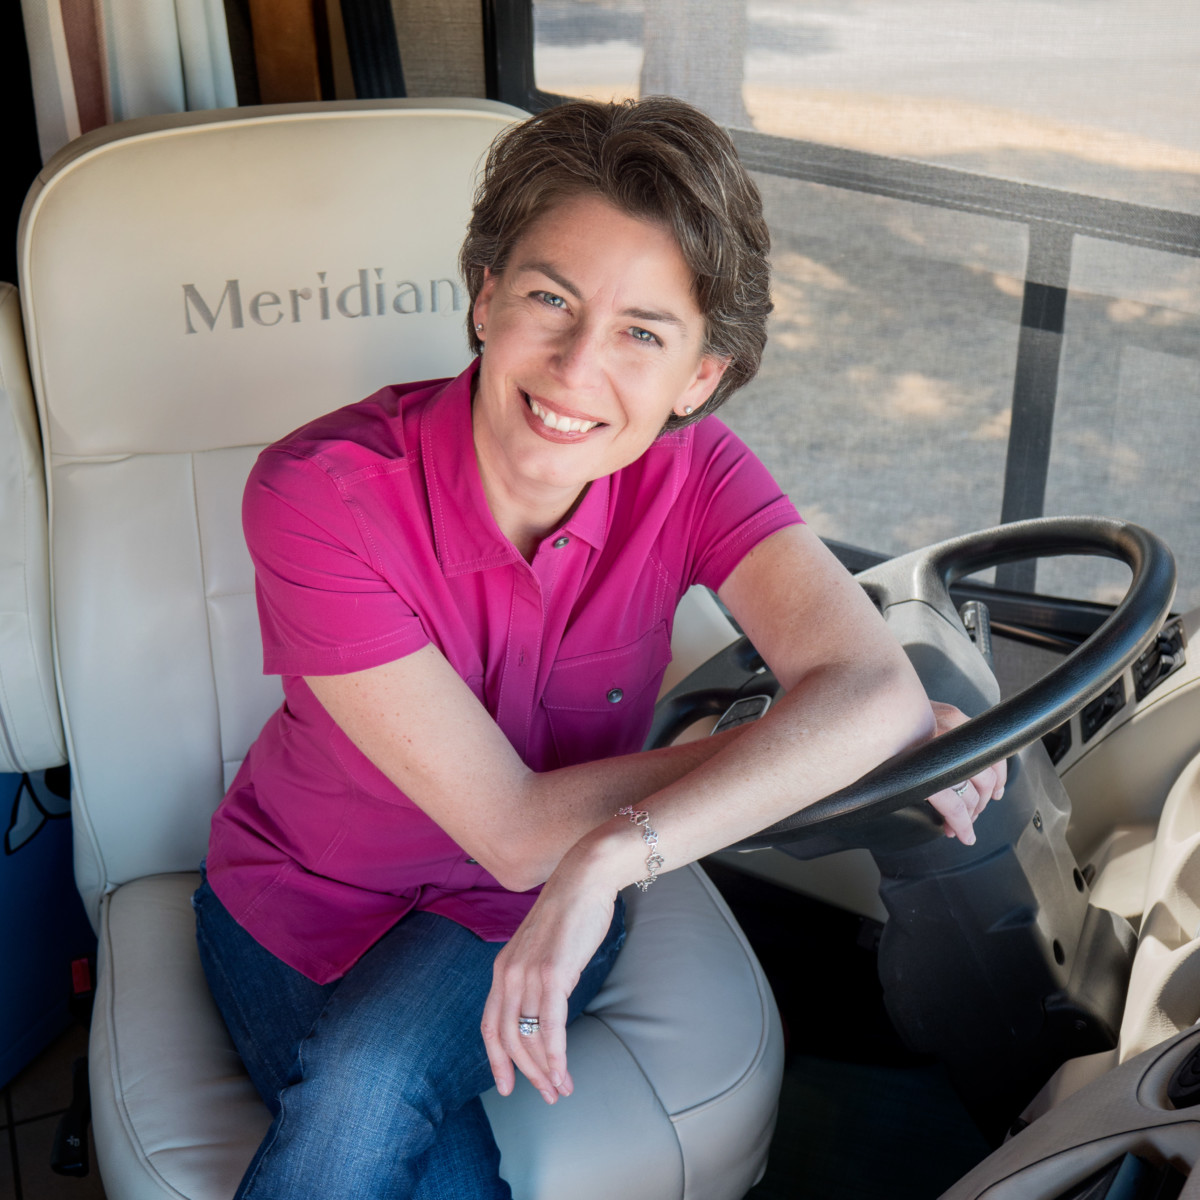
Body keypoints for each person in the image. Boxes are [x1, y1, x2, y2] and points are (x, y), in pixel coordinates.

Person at [193, 95, 1006, 1199]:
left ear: (700, 378)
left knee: (367, 1080)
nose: (580, 368)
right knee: (373, 1103)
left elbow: (865, 684)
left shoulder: (701, 474)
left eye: (643, 334)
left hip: (530, 909)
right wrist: (831, 739)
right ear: (485, 297)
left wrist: (617, 855)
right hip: (303, 898)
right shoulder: (320, 495)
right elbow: (517, 829)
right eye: (549, 298)